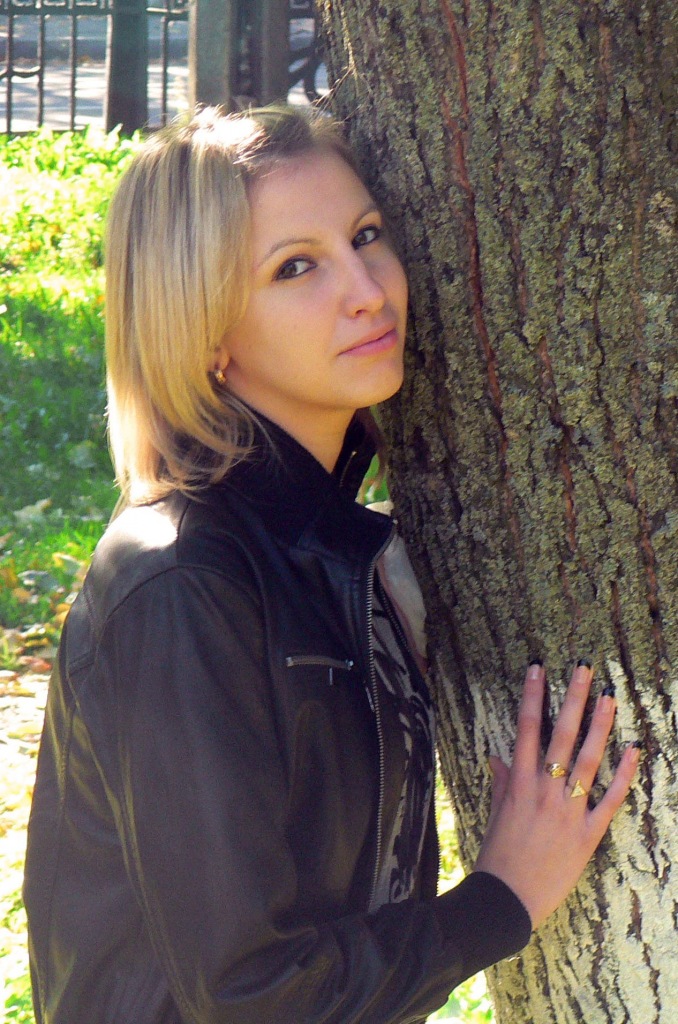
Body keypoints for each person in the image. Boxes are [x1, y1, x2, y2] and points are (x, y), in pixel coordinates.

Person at [23, 104, 640, 1024]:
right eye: (295, 267)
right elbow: (250, 995)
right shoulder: (182, 585)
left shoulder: (330, 550)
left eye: (366, 236)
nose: (367, 290)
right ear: (206, 331)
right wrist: (501, 899)